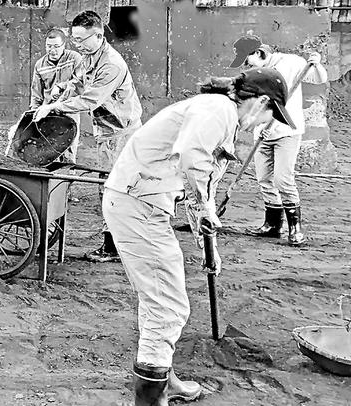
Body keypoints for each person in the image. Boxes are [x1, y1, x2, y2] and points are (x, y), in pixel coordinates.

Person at [101, 68, 295, 405]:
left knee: (159, 298)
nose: (268, 124)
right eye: (271, 115)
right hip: (137, 204)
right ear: (261, 101)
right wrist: (204, 206)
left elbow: (200, 190)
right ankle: (151, 398)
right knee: (168, 306)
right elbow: (192, 158)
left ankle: (164, 378)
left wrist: (210, 248)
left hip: (141, 202)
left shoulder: (220, 117)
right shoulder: (217, 109)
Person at [33, 10, 143, 263]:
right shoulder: (89, 56)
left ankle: (112, 247)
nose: (77, 45)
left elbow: (90, 99)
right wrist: (64, 88)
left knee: (112, 188)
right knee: (113, 185)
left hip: (120, 133)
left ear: (99, 36)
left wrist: (55, 107)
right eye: (74, 39)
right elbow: (79, 83)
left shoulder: (111, 65)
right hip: (107, 130)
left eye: (81, 40)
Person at [228, 34, 329, 246]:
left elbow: (319, 78)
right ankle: (273, 225)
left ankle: (295, 228)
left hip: (287, 132)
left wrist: (316, 64)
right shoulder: (254, 75)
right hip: (262, 133)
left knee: (283, 179)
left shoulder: (291, 62)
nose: (246, 66)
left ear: (259, 53)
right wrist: (256, 125)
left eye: (247, 60)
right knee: (264, 179)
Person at [4, 28, 84, 162]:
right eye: (49, 46)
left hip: (69, 110)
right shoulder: (40, 65)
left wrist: (61, 87)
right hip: (47, 113)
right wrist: (33, 114)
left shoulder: (74, 58)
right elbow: (36, 95)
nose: (52, 50)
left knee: (68, 148)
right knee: (46, 148)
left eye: (56, 46)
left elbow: (80, 82)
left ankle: (67, 172)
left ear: (64, 45)